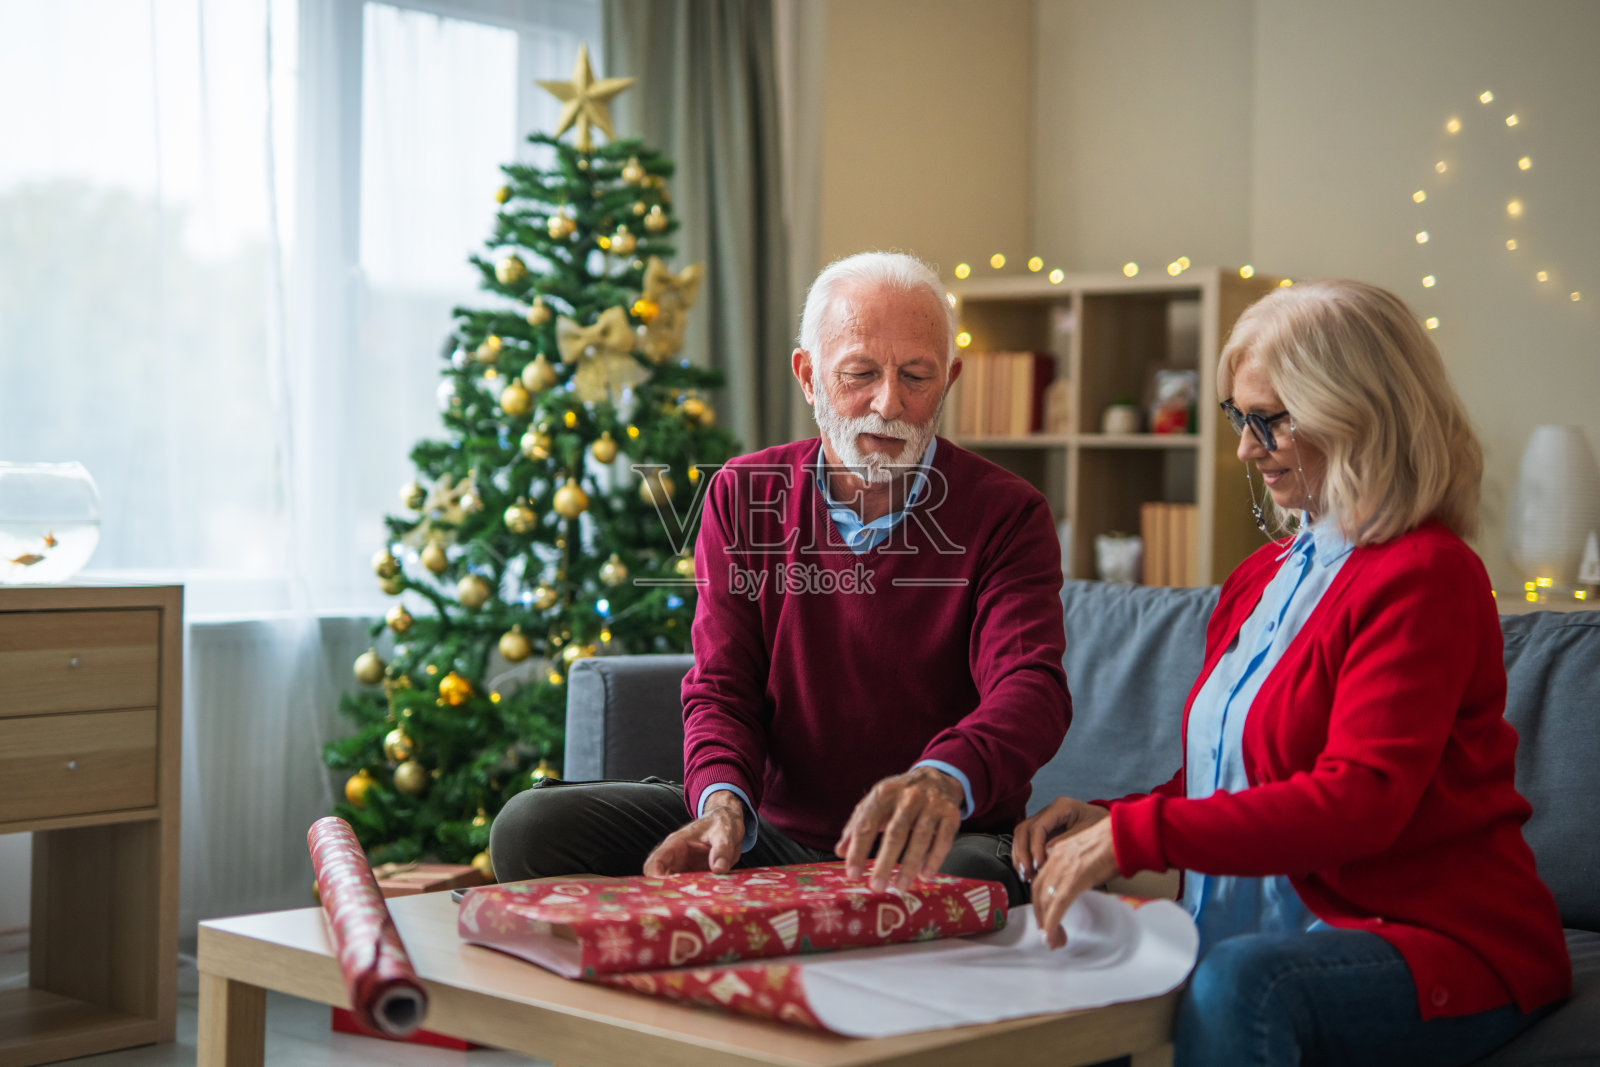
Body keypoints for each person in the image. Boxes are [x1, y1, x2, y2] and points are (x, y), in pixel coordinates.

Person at [1013, 278, 1571, 1067]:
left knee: (1243, 985)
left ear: (1358, 414)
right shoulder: (1264, 576)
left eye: (1269, 420)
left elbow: (1359, 799)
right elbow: (1240, 779)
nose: (1245, 447)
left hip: (1433, 941)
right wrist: (1112, 819)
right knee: (1064, 956)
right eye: (1239, 418)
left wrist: (1141, 835)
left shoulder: (1427, 574)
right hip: (1271, 926)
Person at [491, 251, 1071, 903]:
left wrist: (941, 777)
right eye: (860, 373)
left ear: (949, 379)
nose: (888, 402)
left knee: (971, 883)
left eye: (916, 376)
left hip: (939, 836)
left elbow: (1031, 690)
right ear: (808, 376)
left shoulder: (1007, 512)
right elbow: (721, 686)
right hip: (772, 836)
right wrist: (722, 801)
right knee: (530, 828)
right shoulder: (743, 493)